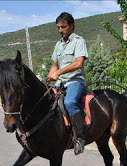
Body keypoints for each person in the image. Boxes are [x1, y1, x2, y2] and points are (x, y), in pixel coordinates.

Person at [47, 12, 88, 155]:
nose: (60, 30)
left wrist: (59, 72)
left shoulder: (79, 41)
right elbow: (54, 64)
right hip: (60, 82)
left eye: (63, 27)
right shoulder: (58, 45)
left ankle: (80, 139)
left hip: (75, 81)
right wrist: (50, 75)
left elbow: (79, 62)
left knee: (70, 102)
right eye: (58, 27)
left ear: (71, 25)